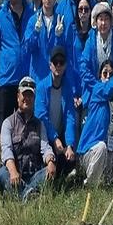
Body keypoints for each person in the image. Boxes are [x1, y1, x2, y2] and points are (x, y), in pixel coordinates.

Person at [0, 76, 56, 201]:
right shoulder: (8, 123)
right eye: (24, 95)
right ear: (18, 96)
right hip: (15, 174)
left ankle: (23, 195)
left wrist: (50, 161)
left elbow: (45, 148)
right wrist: (13, 171)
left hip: (34, 175)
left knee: (49, 171)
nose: (27, 99)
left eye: (30, 95)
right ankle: (29, 195)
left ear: (34, 98)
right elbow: (6, 151)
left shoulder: (40, 125)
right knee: (2, 173)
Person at [77, 54, 113, 186]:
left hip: (106, 151)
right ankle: (90, 185)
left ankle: (106, 183)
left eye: (111, 74)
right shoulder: (97, 90)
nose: (108, 77)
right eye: (105, 73)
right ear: (100, 76)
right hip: (89, 152)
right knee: (101, 147)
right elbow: (108, 90)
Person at [0, 0, 34, 121]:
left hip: (26, 76)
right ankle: (0, 146)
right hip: (7, 78)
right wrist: (7, 60)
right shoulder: (0, 17)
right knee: (3, 123)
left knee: (25, 121)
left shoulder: (31, 14)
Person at [79, 2, 113, 131]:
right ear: (95, 21)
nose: (103, 23)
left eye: (106, 19)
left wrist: (111, 86)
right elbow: (83, 67)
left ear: (111, 21)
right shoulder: (90, 40)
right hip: (94, 91)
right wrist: (98, 87)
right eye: (100, 19)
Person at [34, 47, 78, 178]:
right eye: (55, 62)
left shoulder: (67, 87)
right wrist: (54, 138)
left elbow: (70, 117)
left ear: (65, 65)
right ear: (50, 65)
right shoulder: (41, 87)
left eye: (61, 62)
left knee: (71, 158)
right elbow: (42, 117)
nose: (58, 65)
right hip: (44, 136)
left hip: (61, 136)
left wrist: (69, 144)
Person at [25, 0, 61, 85]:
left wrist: (59, 36)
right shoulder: (33, 20)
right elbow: (28, 48)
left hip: (55, 78)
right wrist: (36, 32)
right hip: (37, 77)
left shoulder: (60, 21)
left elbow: (63, 50)